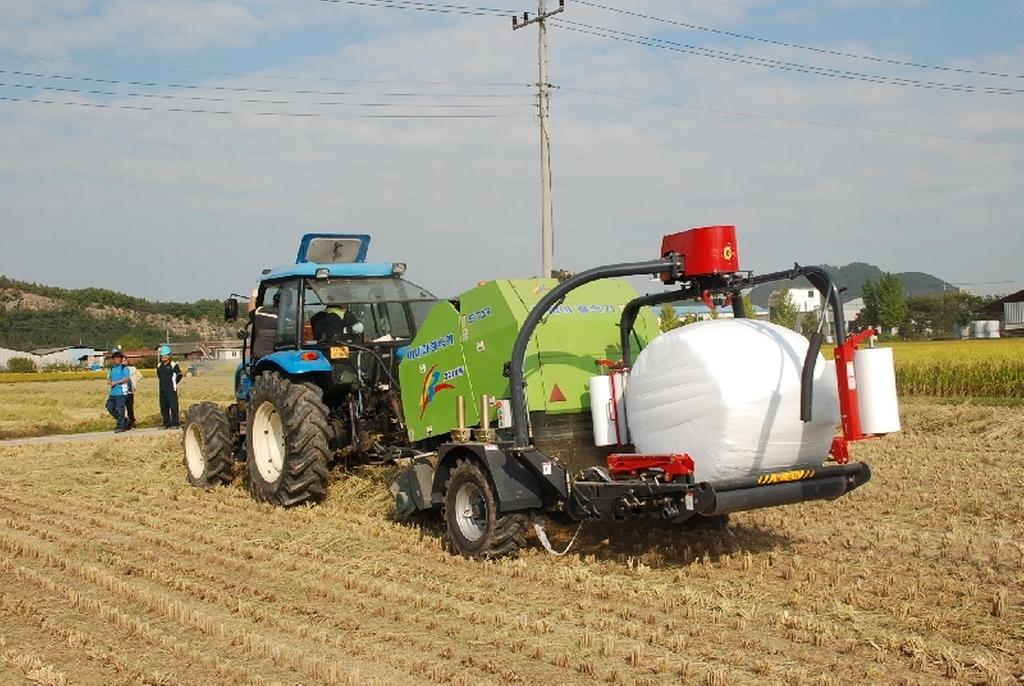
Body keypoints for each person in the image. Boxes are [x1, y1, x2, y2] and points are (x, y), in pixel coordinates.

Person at [156, 345, 184, 429]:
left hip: (171, 389)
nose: (163, 357)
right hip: (162, 389)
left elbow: (179, 374)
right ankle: (166, 423)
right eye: (162, 355)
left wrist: (174, 383)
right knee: (164, 407)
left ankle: (175, 423)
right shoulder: (159, 366)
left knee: (173, 406)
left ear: (169, 356)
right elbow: (159, 376)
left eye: (165, 355)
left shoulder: (173, 365)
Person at [105, 350, 132, 433]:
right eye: (115, 358)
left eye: (118, 358)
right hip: (113, 392)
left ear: (121, 359)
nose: (117, 360)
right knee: (109, 407)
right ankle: (124, 420)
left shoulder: (124, 368)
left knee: (120, 409)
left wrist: (116, 382)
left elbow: (126, 378)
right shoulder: (112, 369)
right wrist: (109, 381)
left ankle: (121, 425)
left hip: (121, 392)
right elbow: (109, 377)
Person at [124, 361, 142, 430]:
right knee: (122, 408)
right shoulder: (117, 369)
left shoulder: (132, 369)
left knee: (129, 408)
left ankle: (131, 422)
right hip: (121, 391)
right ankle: (125, 422)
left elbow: (138, 377)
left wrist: (134, 385)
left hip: (130, 391)